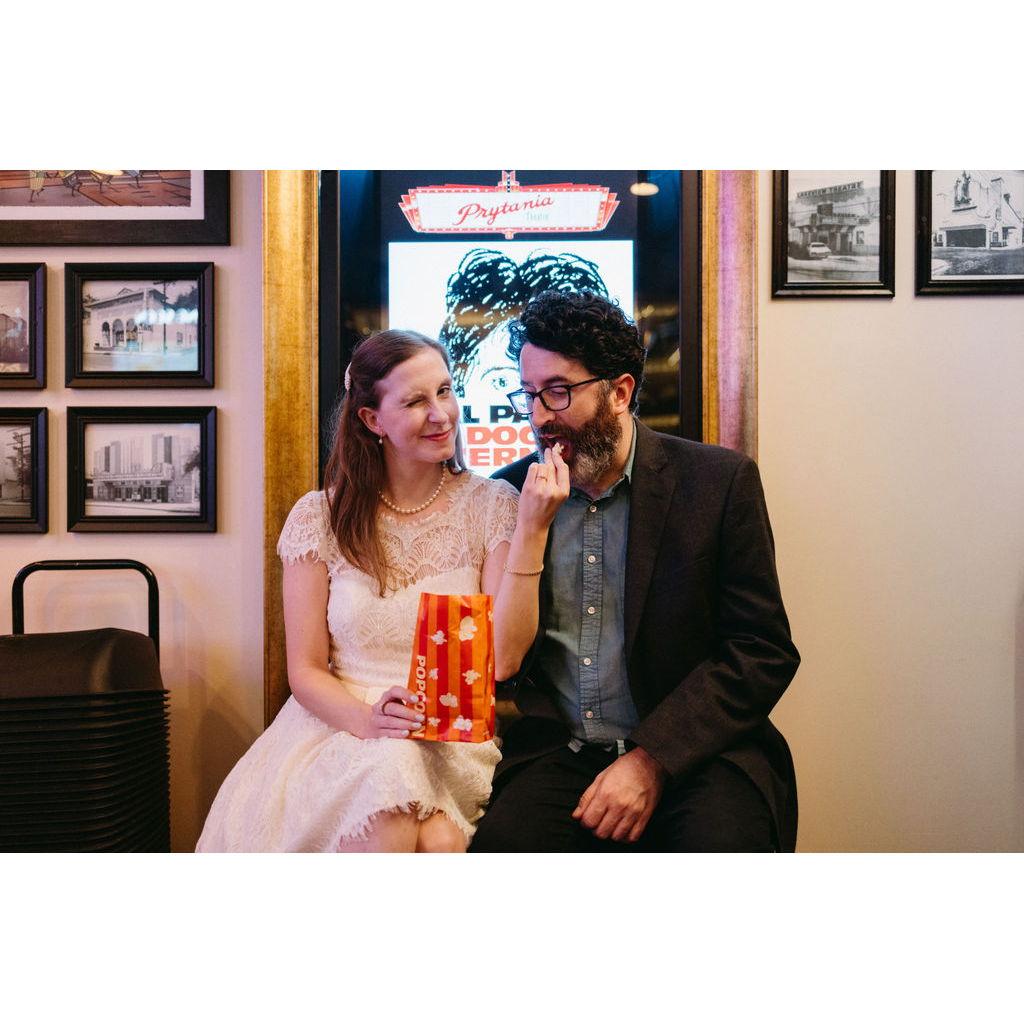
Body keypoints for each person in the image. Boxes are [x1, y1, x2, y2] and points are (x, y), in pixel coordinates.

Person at [197, 329, 568, 852]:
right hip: (336, 725)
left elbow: (502, 661)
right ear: (372, 420)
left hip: (446, 735)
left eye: (445, 391)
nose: (441, 414)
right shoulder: (317, 516)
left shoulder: (494, 506)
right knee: (415, 822)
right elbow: (305, 670)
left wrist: (532, 531)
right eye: (416, 401)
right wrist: (367, 720)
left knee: (426, 826)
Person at [468, 290, 801, 853]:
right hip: (560, 751)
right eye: (528, 395)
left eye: (558, 392)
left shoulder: (718, 483)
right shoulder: (509, 493)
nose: (540, 417)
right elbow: (500, 659)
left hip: (696, 755)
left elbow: (761, 650)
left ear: (620, 391)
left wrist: (652, 759)